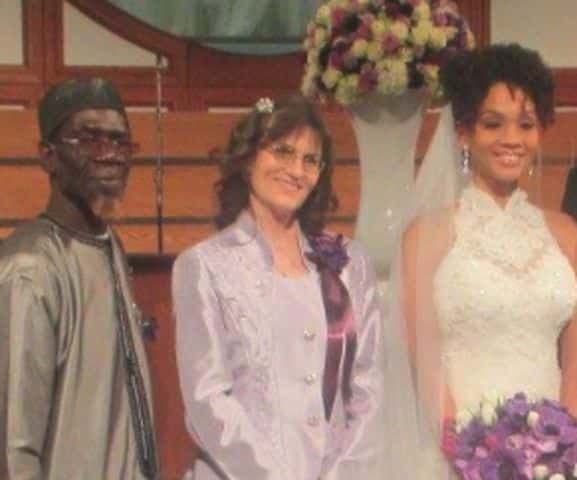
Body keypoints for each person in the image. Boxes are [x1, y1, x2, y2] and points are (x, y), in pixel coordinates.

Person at [172, 94, 383, 480]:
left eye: (309, 160)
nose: (295, 170)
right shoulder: (204, 266)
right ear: (250, 156)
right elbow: (208, 401)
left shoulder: (350, 263)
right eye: (282, 152)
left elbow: (369, 389)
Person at [392, 43, 577, 477]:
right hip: (460, 458)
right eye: (493, 124)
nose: (512, 139)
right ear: (463, 132)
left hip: (558, 458)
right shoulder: (427, 235)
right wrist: (476, 458)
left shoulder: (567, 234)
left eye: (526, 125)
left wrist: (559, 447)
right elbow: (425, 365)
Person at [0, 78, 158, 479]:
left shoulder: (109, 245)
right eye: (90, 140)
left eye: (120, 143)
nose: (110, 155)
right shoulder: (29, 267)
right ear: (48, 156)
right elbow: (13, 447)